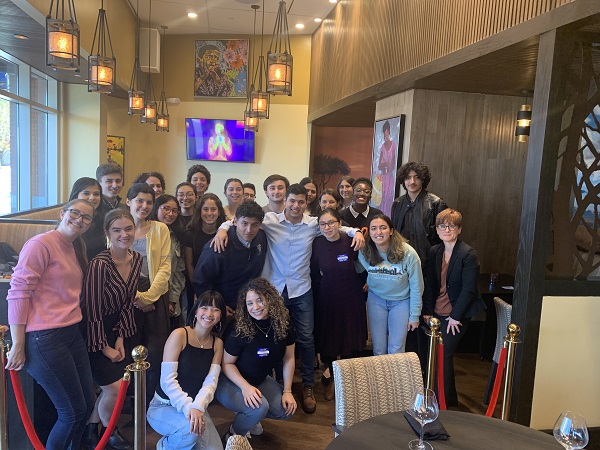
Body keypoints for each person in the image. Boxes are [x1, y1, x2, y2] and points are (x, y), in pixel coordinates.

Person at [213, 184, 364, 414]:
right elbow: (241, 219)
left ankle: (307, 386)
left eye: (300, 202)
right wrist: (223, 229)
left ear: (306, 204)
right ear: (286, 200)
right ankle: (275, 383)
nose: (295, 205)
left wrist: (356, 232)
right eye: (292, 201)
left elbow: (336, 227)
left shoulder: (313, 224)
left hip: (301, 289)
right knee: (272, 336)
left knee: (305, 339)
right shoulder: (270, 220)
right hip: (273, 291)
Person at [5, 199, 96, 449]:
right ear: (62, 213)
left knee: (86, 405)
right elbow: (18, 292)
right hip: (43, 338)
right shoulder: (40, 244)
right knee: (72, 412)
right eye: (75, 213)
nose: (79, 219)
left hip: (71, 332)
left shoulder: (75, 245)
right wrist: (18, 343)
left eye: (86, 217)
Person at [81, 209, 142, 450]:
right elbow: (91, 310)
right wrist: (104, 347)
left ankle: (91, 431)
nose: (124, 234)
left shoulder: (136, 259)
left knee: (116, 388)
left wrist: (119, 339)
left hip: (117, 329)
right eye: (117, 230)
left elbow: (128, 302)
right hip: (93, 333)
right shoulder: (99, 264)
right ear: (107, 233)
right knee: (115, 388)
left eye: (128, 228)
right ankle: (110, 433)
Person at [215, 278, 297, 440]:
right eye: (250, 303)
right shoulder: (239, 328)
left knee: (286, 410)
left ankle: (249, 418)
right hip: (229, 381)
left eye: (260, 300)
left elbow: (289, 358)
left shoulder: (283, 323)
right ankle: (233, 435)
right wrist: (245, 387)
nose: (256, 307)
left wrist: (287, 391)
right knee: (259, 407)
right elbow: (227, 364)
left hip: (259, 380)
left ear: (270, 299)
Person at [422, 209, 485, 407]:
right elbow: (430, 283)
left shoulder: (468, 254)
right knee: (433, 354)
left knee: (444, 353)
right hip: (437, 312)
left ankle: (444, 403)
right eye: (442, 225)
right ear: (437, 230)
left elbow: (468, 289)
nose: (446, 229)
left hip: (458, 313)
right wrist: (427, 311)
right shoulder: (435, 251)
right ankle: (439, 397)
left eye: (451, 226)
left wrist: (455, 316)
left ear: (459, 229)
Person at [147, 291, 225, 450]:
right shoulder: (179, 335)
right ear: (196, 311)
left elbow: (211, 382)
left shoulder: (217, 344)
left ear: (220, 316)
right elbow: (167, 380)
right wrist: (190, 408)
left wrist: (197, 407)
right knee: (189, 433)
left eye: (216, 309)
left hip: (195, 406)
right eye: (204, 307)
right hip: (164, 406)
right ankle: (163, 446)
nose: (209, 313)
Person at [310, 208, 367, 401]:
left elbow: (364, 265)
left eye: (331, 223)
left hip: (351, 296)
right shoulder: (316, 243)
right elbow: (313, 272)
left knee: (350, 338)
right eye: (323, 224)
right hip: (326, 296)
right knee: (330, 339)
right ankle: (334, 378)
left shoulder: (350, 240)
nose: (328, 227)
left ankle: (347, 381)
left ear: (339, 223)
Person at [126, 183, 172, 405]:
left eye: (149, 202)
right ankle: (129, 401)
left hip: (155, 297)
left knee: (155, 353)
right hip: (126, 299)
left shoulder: (160, 229)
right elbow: (113, 266)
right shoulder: (118, 228)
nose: (144, 206)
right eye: (139, 201)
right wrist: (135, 297)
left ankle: (149, 402)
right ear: (129, 202)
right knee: (128, 350)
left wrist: (148, 297)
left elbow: (164, 266)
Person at [358, 214, 423, 355]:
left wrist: (415, 315)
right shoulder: (365, 251)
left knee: (396, 347)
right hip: (376, 300)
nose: (378, 232)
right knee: (379, 347)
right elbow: (362, 270)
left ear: (392, 231)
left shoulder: (408, 253)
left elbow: (417, 286)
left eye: (383, 228)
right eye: (374, 228)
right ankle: (380, 377)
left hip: (401, 302)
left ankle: (395, 377)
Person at [193, 201, 267, 319]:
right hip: (222, 309)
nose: (249, 230)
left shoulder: (261, 238)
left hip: (249, 307)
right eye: (244, 223)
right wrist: (216, 305)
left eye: (254, 225)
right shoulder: (217, 246)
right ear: (235, 221)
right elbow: (200, 281)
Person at [391, 161, 447, 272]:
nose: (412, 182)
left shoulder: (436, 203)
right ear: (403, 180)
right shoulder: (397, 204)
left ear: (423, 179)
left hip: (428, 264)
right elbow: (394, 234)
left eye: (416, 177)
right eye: (408, 177)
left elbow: (445, 239)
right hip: (402, 262)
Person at [149, 195, 187, 326]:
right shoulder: (145, 232)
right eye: (166, 208)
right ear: (156, 208)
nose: (171, 214)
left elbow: (178, 272)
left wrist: (173, 299)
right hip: (144, 294)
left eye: (175, 211)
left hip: (167, 297)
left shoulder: (175, 236)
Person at [183, 193, 227, 285]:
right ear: (200, 211)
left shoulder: (225, 233)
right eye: (205, 209)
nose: (209, 213)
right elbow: (189, 263)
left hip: (222, 284)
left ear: (219, 212)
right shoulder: (190, 233)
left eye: (213, 209)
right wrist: (196, 286)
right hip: (197, 283)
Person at [68, 176, 107, 260]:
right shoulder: (68, 220)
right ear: (76, 195)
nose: (92, 198)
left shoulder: (105, 220)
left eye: (96, 194)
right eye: (86, 193)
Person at [376, 120, 397, 215]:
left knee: (389, 197)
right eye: (384, 132)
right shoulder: (382, 147)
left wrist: (387, 164)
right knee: (382, 197)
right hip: (383, 176)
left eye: (387, 131)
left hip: (389, 176)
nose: (385, 134)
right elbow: (379, 165)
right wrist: (385, 164)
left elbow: (393, 164)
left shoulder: (393, 145)